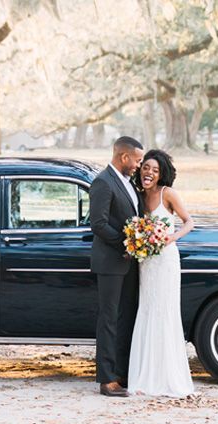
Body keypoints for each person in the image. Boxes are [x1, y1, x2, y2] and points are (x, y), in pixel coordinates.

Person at [128, 149, 195, 398]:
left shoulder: (169, 194)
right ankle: (145, 377)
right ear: (141, 169)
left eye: (155, 170)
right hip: (146, 262)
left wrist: (172, 237)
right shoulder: (137, 196)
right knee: (147, 310)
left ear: (161, 174)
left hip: (166, 260)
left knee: (164, 312)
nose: (150, 173)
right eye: (146, 168)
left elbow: (189, 221)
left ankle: (167, 377)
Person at [89, 136, 145, 397]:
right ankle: (107, 380)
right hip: (111, 262)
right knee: (109, 319)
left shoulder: (128, 183)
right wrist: (128, 244)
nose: (138, 165)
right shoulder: (103, 182)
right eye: (137, 160)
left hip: (129, 263)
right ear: (124, 157)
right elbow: (98, 225)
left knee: (125, 318)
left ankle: (121, 372)